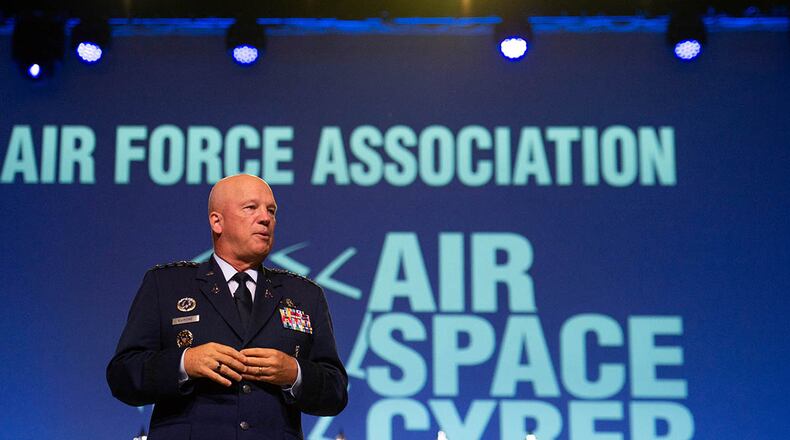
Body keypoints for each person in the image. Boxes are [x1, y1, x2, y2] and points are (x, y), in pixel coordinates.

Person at [107, 174, 348, 439]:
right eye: (250, 208)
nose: (266, 218)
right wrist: (186, 362)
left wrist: (294, 373)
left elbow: (335, 392)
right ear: (217, 221)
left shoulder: (305, 295)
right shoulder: (166, 286)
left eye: (271, 210)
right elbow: (123, 376)